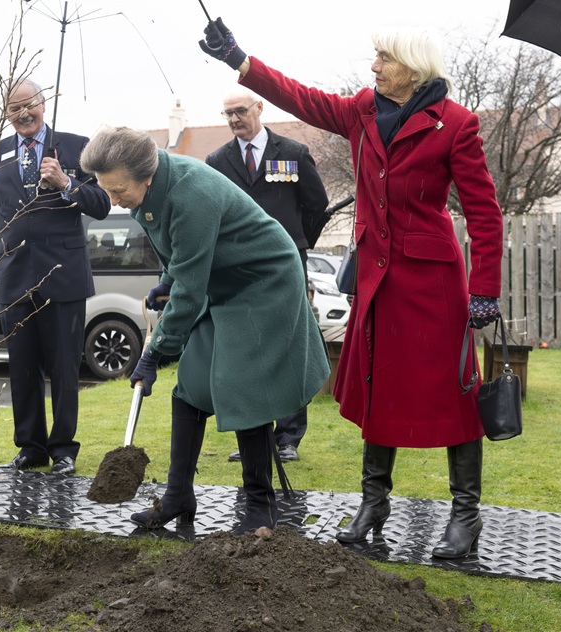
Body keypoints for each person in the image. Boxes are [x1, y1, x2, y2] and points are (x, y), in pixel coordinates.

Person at [200, 21, 504, 558]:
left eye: (383, 59)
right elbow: (301, 97)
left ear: (412, 68)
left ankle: (465, 514)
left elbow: (484, 213)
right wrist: (240, 60)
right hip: (377, 280)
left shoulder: (456, 125)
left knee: (454, 395)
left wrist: (484, 288)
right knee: (378, 387)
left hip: (434, 283)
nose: (374, 68)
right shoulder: (361, 111)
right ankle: (374, 502)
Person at [79, 126, 330, 535]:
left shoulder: (191, 193)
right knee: (192, 386)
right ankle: (179, 496)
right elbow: (175, 254)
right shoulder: (147, 190)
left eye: (118, 190)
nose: (113, 200)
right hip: (222, 278)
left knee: (241, 386)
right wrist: (166, 280)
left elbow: (191, 294)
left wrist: (153, 354)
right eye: (107, 190)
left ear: (146, 175)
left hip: (262, 281)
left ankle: (260, 506)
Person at [0, 78, 111, 475]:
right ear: (6, 113)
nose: (23, 114)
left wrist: (66, 183)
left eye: (30, 106)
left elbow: (103, 203)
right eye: (15, 108)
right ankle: (30, 447)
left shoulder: (75, 147)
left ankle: (64, 450)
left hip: (63, 278)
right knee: (22, 367)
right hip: (14, 279)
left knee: (64, 368)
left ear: (43, 104)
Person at [206, 86, 330, 464]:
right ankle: (253, 434)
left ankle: (288, 437)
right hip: (239, 268)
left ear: (259, 107)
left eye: (240, 111)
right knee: (247, 348)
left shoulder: (292, 154)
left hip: (286, 265)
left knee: (288, 344)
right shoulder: (216, 161)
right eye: (227, 114)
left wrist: (297, 243)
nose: (233, 120)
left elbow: (318, 206)